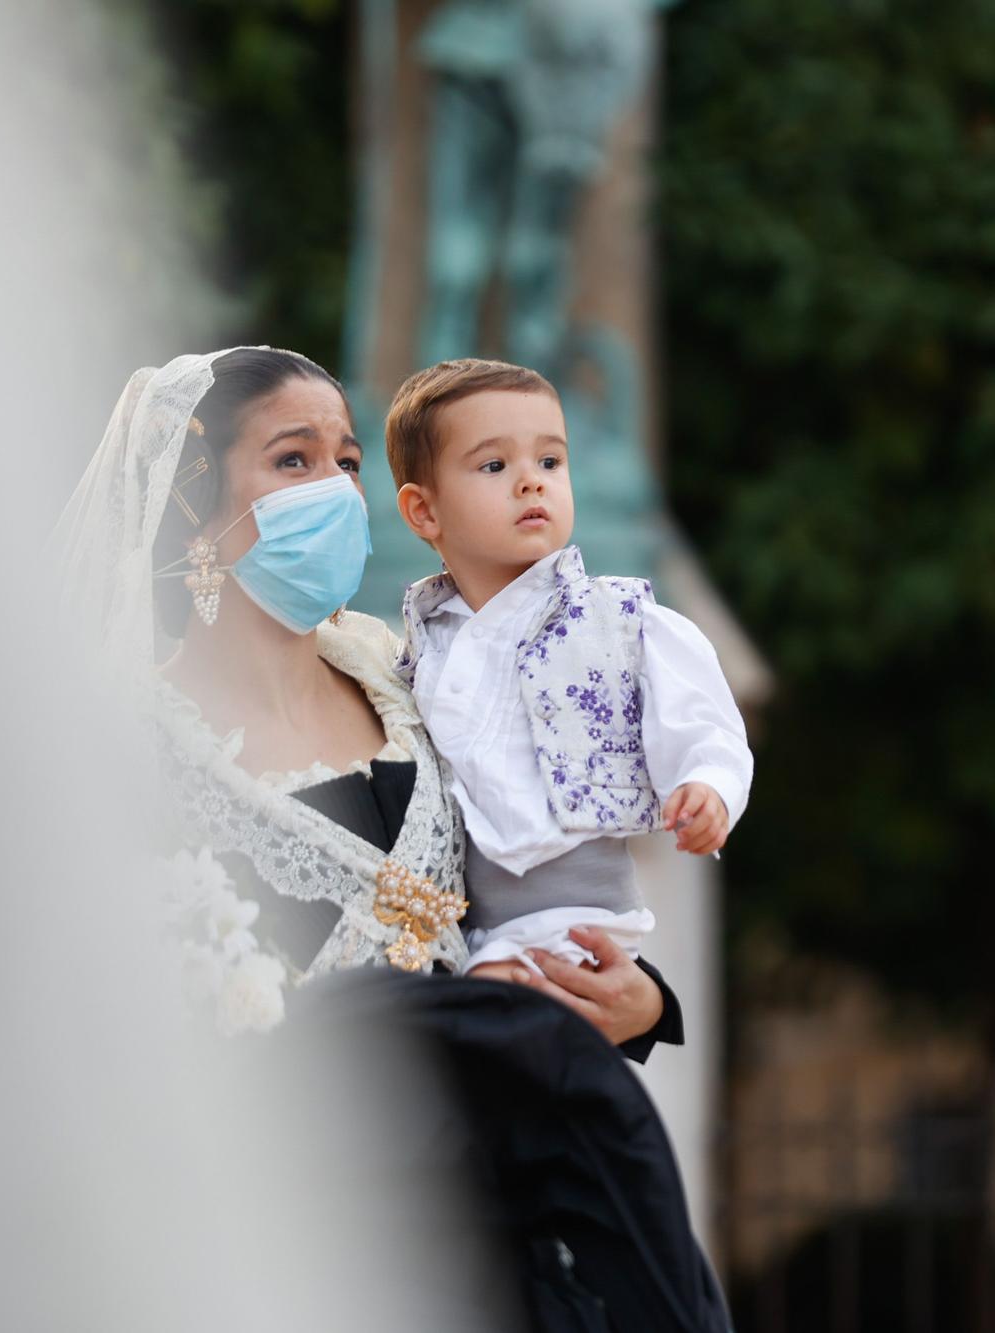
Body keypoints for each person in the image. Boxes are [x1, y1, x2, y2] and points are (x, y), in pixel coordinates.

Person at [53, 346, 730, 1331]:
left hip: (481, 1229)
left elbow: (524, 873)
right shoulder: (130, 746)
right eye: (292, 461)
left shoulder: (402, 675)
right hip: (294, 1238)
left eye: (344, 461)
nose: (331, 489)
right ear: (194, 499)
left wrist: (638, 1004)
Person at [386, 357, 752, 982]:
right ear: (424, 512)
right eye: (495, 466)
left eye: (550, 462)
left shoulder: (621, 620)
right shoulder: (421, 641)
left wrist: (707, 787)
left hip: (575, 916)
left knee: (498, 999)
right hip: (454, 916)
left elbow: (704, 724)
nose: (532, 482)